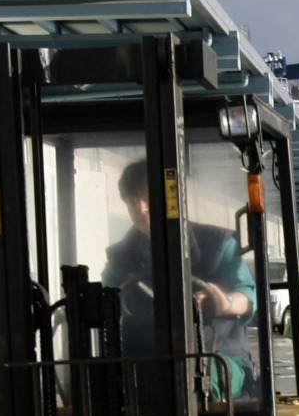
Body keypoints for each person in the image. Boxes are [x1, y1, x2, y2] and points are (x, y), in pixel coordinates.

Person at [101, 160, 257, 399]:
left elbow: (247, 296)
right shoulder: (120, 258)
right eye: (132, 201)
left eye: (147, 198)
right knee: (105, 386)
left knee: (193, 378)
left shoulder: (217, 244)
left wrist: (223, 302)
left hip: (218, 354)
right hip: (145, 358)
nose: (141, 208)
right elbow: (105, 300)